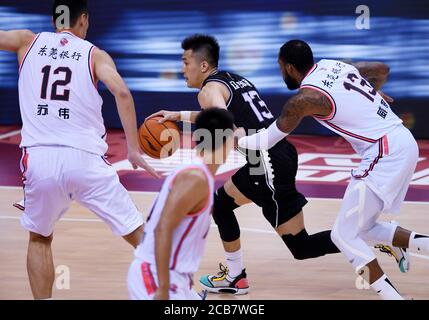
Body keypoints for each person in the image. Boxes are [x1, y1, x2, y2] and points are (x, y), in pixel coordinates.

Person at [150, 34, 347, 295]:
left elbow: (221, 118)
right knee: (222, 205)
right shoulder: (232, 79)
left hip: (265, 164)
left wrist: (227, 137)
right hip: (279, 154)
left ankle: (363, 237)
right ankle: (236, 277)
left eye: (186, 62)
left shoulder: (208, 90)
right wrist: (179, 116)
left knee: (301, 247)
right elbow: (218, 113)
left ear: (204, 66)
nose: (182, 69)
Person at [238, 40, 429, 299]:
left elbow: (267, 140)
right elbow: (381, 68)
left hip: (384, 152)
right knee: (362, 229)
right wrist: (369, 95)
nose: (281, 72)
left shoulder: (304, 99)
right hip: (402, 142)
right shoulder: (333, 65)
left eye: (281, 67)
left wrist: (233, 139)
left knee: (343, 235)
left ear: (290, 68)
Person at [0, 0, 158, 299]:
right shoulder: (95, 54)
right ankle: (176, 294)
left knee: (40, 238)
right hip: (86, 160)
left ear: (54, 18)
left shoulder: (26, 41)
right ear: (83, 19)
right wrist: (134, 150)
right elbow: (121, 92)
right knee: (139, 234)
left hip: (40, 158)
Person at [128, 108, 235, 300]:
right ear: (225, 140)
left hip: (176, 277)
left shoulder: (200, 175)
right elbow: (163, 229)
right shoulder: (195, 178)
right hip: (156, 277)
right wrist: (163, 287)